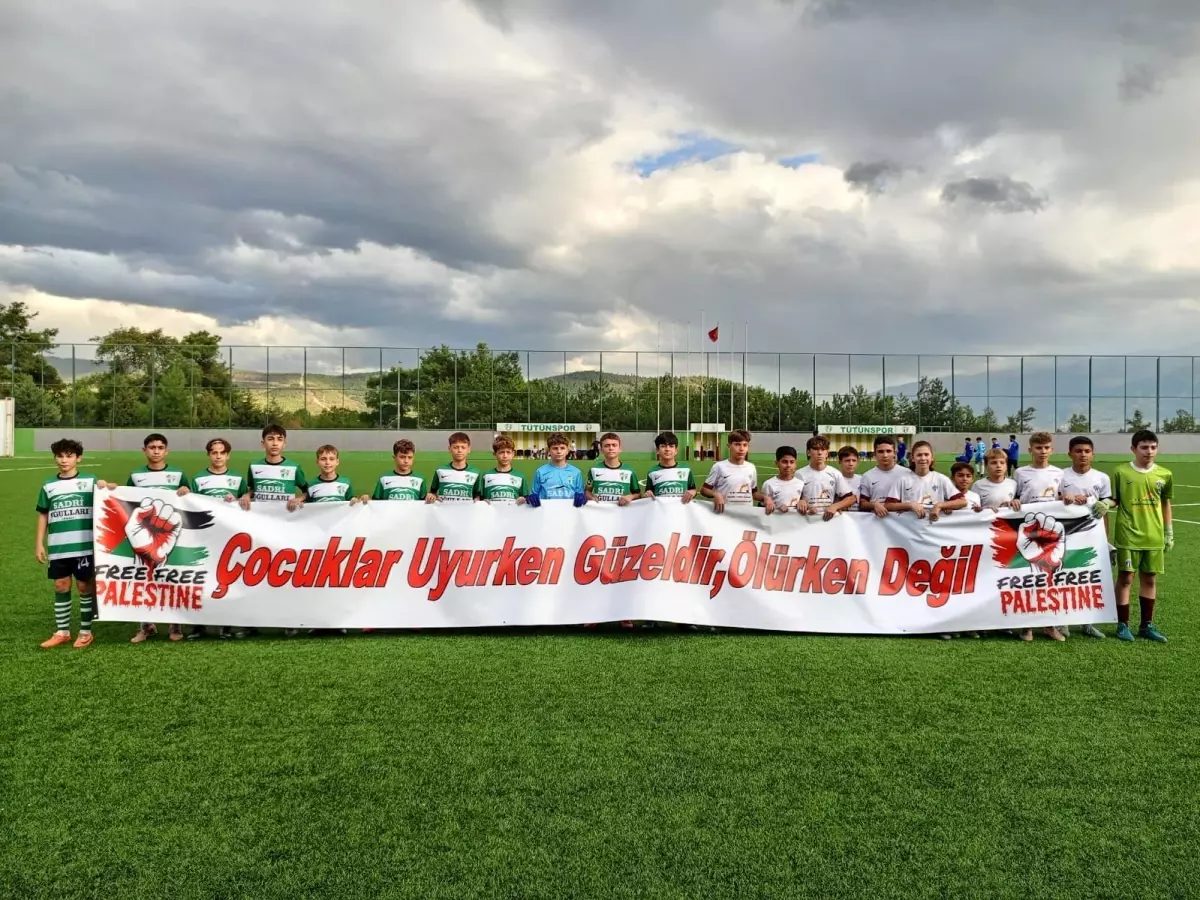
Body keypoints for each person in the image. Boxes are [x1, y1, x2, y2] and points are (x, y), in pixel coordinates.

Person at [114, 433, 192, 644]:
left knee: (171, 579)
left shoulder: (178, 475)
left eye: (160, 447)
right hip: (143, 536)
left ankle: (175, 625)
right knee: (143, 579)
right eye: (152, 447)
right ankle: (146, 626)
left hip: (170, 535)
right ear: (144, 450)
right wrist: (110, 489)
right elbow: (126, 500)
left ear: (167, 451)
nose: (156, 451)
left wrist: (186, 490)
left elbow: (190, 501)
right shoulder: (136, 475)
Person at [238, 424, 308, 637]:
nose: (275, 443)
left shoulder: (294, 467)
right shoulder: (254, 466)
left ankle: (289, 619)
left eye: (279, 439)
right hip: (260, 528)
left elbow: (308, 491)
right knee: (255, 573)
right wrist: (247, 495)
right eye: (270, 439)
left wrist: (300, 498)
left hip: (286, 529)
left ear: (284, 443)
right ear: (263, 443)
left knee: (285, 574)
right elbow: (251, 490)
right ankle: (251, 622)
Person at [35, 439, 100, 649]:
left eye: (69, 456)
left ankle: (86, 632)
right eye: (60, 456)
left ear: (78, 458)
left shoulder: (90, 481)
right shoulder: (48, 485)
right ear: (55, 458)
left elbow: (108, 498)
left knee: (84, 586)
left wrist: (108, 487)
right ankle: (62, 632)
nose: (64, 460)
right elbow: (43, 514)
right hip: (58, 546)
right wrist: (39, 543)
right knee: (61, 585)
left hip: (84, 546)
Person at [1111, 429, 1173, 643]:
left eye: (1153, 447)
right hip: (1128, 534)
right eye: (1144, 447)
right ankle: (1122, 625)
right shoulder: (1121, 472)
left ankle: (1146, 625)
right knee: (1126, 577)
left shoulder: (1165, 474)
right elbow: (1114, 499)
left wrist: (1168, 531)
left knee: (1149, 578)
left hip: (1153, 536)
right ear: (1133, 449)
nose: (1149, 451)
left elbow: (1166, 503)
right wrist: (1105, 503)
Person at [186, 438, 246, 640]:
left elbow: (247, 503)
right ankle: (199, 625)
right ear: (209, 455)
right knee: (202, 580)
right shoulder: (198, 479)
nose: (218, 456)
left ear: (228, 455)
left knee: (226, 580)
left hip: (228, 537)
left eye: (222, 452)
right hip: (205, 537)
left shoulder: (237, 478)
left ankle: (225, 624)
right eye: (214, 452)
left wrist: (238, 500)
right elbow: (192, 505)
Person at [1011, 431, 1065, 642]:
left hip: (1050, 534)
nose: (1043, 452)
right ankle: (1026, 626)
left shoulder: (1059, 473)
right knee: (1028, 578)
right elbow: (1014, 497)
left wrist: (1068, 498)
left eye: (1046, 448)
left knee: (1049, 579)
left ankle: (1049, 625)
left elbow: (1062, 497)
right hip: (1028, 533)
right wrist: (1014, 501)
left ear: (1052, 450)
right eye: (1038, 448)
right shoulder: (1020, 473)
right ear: (1030, 450)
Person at [1058, 435, 1112, 640]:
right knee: (1064, 578)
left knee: (1088, 579)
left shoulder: (1102, 478)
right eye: (1078, 451)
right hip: (1066, 534)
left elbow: (1105, 507)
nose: (1083, 455)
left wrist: (1105, 538)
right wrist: (1065, 498)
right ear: (1070, 453)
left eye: (1087, 451)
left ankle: (1087, 623)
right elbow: (1051, 501)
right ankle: (1062, 621)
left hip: (1091, 535)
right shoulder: (1060, 476)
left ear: (1093, 454)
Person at [858, 435, 919, 518]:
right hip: (878, 521)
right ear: (875, 454)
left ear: (894, 453)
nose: (885, 455)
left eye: (888, 451)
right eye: (880, 451)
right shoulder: (867, 476)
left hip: (903, 522)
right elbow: (862, 504)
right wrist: (874, 505)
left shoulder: (908, 473)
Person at [797, 436, 856, 520]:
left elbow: (851, 498)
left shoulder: (835, 473)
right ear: (808, 452)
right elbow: (790, 498)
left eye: (823, 449)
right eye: (816, 449)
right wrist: (800, 502)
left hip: (828, 521)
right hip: (806, 520)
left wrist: (835, 506)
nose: (820, 453)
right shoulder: (799, 474)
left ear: (827, 453)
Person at [909, 440, 966, 522]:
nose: (923, 458)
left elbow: (962, 501)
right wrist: (910, 505)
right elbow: (890, 505)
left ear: (932, 457)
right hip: (909, 527)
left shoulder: (941, 479)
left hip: (935, 526)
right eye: (919, 455)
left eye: (926, 454)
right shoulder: (903, 479)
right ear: (912, 458)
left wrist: (940, 505)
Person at [702, 429, 757, 513]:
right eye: (737, 444)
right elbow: (704, 490)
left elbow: (754, 493)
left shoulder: (751, 467)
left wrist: (766, 498)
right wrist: (715, 494)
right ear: (729, 446)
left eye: (745, 445)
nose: (741, 448)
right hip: (725, 514)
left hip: (746, 514)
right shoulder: (719, 466)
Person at [526, 432, 586, 506]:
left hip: (568, 511)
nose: (559, 451)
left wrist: (582, 497)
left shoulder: (576, 472)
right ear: (549, 451)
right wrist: (531, 497)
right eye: (555, 448)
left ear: (567, 451)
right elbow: (534, 494)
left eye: (562, 448)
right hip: (546, 512)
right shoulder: (540, 472)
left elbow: (580, 494)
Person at [289, 444, 357, 508]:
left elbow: (352, 503)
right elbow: (308, 507)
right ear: (317, 462)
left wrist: (356, 501)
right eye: (323, 459)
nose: (327, 462)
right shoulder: (311, 485)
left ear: (337, 462)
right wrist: (301, 505)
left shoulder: (345, 483)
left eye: (331, 459)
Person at [586, 432, 641, 505]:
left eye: (614, 445)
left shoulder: (629, 471)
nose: (611, 448)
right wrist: (591, 497)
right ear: (601, 450)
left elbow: (638, 494)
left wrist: (630, 497)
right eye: (607, 445)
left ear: (620, 449)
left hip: (622, 511)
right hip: (600, 510)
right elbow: (586, 491)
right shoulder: (594, 470)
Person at [427, 432, 482, 503]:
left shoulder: (475, 472)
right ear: (449, 449)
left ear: (469, 449)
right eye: (456, 447)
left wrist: (479, 500)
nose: (459, 450)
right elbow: (432, 492)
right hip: (444, 509)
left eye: (463, 447)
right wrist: (432, 496)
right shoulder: (440, 471)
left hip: (466, 510)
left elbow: (477, 496)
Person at [644, 431, 697, 503]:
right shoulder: (652, 472)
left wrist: (692, 492)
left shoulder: (686, 470)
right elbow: (648, 493)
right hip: (662, 509)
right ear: (657, 450)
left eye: (671, 446)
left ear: (676, 450)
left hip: (681, 509)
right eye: (663, 446)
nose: (667, 449)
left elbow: (693, 489)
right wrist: (647, 494)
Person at [481, 435, 526, 505]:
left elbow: (525, 499)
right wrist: (482, 501)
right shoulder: (486, 476)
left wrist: (525, 499)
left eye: (508, 452)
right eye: (501, 452)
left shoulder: (520, 476)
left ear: (513, 454)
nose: (505, 456)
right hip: (491, 512)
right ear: (495, 454)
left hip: (512, 512)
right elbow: (479, 499)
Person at [759, 445, 804, 515]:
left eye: (792, 462)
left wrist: (803, 503)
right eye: (784, 462)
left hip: (796, 521)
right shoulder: (769, 484)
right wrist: (777, 508)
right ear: (777, 463)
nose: (788, 465)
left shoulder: (801, 484)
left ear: (796, 464)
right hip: (776, 521)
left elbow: (804, 503)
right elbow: (761, 509)